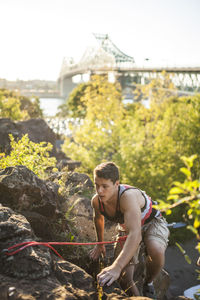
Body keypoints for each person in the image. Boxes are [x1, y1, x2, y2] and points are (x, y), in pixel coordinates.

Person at [89, 162, 169, 298]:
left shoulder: (127, 197)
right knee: (124, 278)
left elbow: (135, 235)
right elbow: (98, 219)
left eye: (104, 186)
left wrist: (116, 267)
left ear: (116, 184)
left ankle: (148, 283)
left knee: (155, 249)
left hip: (152, 222)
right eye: (96, 185)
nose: (100, 191)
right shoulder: (96, 201)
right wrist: (100, 243)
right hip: (127, 227)